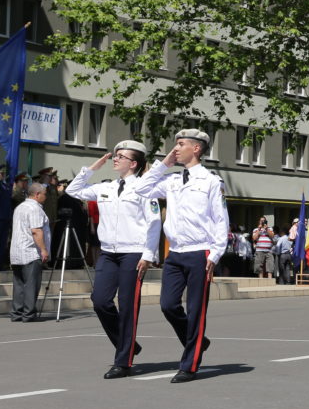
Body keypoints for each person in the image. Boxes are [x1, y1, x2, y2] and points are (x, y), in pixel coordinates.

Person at [136, 129, 228, 382]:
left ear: (196, 148)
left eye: (181, 144)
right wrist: (163, 164)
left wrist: (216, 254)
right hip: (175, 252)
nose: (175, 148)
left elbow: (221, 219)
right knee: (168, 305)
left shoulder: (211, 181)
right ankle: (198, 340)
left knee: (197, 309)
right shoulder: (173, 180)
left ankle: (189, 364)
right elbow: (141, 189)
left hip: (201, 251)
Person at [66, 141, 161, 378]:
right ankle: (127, 344)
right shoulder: (104, 187)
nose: (115, 159)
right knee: (100, 301)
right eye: (114, 156)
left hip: (134, 253)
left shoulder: (144, 188)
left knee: (128, 306)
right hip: (108, 253)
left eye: (121, 156)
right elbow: (73, 190)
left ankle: (123, 361)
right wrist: (92, 168)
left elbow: (154, 223)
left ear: (134, 163)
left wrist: (148, 255)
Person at [8, 183, 50, 321]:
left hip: (17, 251)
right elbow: (36, 230)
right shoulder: (34, 209)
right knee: (31, 284)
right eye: (44, 194)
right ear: (37, 194)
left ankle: (17, 313)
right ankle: (28, 314)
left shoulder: (20, 207)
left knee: (19, 284)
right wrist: (43, 249)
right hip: (31, 251)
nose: (46, 196)